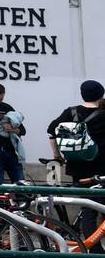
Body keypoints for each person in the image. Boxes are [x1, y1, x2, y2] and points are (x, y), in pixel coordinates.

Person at [47, 80, 105, 234]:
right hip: (101, 168)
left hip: (77, 167)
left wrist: (57, 156)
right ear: (101, 94)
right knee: (100, 207)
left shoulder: (70, 112)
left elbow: (51, 132)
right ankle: (95, 248)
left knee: (88, 207)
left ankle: (92, 249)